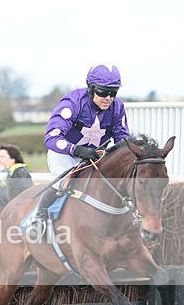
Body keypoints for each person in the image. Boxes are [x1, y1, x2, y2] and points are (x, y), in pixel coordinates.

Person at [24, 64, 131, 241]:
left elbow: (122, 139)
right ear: (91, 89)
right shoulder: (72, 103)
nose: (108, 98)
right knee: (64, 183)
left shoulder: (117, 107)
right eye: (103, 92)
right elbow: (51, 137)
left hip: (95, 156)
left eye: (113, 93)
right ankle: (37, 216)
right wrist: (77, 150)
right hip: (65, 154)